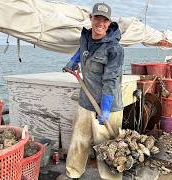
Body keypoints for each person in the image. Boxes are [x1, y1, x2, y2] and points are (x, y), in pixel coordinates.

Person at [59, 2, 124, 180]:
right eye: (97, 18)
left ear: (109, 22)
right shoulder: (86, 37)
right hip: (86, 101)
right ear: (91, 18)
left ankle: (110, 178)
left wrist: (105, 108)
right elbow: (82, 50)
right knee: (79, 140)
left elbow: (111, 81)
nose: (100, 23)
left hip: (107, 105)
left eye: (104, 20)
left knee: (107, 147)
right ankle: (73, 173)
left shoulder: (115, 49)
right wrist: (73, 61)